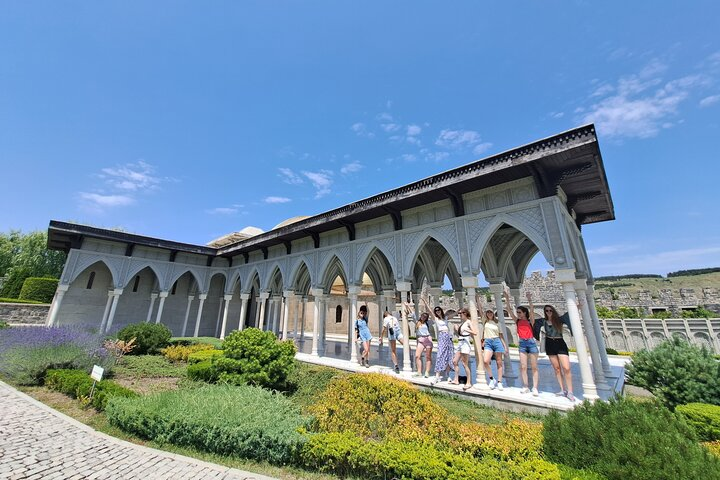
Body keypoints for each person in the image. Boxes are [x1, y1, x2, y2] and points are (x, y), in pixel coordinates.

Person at [537, 296, 576, 401]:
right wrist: (530, 301)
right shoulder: (543, 321)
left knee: (566, 368)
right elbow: (531, 317)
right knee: (557, 369)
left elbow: (570, 313)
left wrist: (578, 306)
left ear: (553, 311)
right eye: (546, 310)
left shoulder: (559, 320)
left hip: (560, 343)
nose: (549, 312)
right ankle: (563, 389)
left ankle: (570, 391)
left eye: (550, 310)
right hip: (550, 343)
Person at [504, 289, 540, 396]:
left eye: (519, 312)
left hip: (531, 343)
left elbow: (532, 311)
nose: (518, 314)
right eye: (517, 312)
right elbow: (509, 310)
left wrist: (530, 300)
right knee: (523, 366)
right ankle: (525, 386)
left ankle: (535, 387)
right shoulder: (517, 321)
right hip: (522, 344)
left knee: (534, 367)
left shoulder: (530, 321)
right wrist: (506, 298)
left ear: (524, 313)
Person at [423, 300, 454, 385]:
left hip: (448, 336)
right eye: (436, 311)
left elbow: (453, 314)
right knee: (440, 355)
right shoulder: (436, 319)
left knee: (449, 355)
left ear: (441, 311)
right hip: (442, 336)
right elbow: (429, 311)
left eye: (439, 310)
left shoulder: (445, 318)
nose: (438, 311)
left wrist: (460, 311)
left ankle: (448, 374)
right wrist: (425, 302)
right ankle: (437, 375)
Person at [479, 298, 507, 391]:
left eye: (491, 312)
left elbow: (501, 336)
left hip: (497, 341)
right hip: (488, 342)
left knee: (499, 363)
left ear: (493, 313)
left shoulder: (497, 323)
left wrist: (505, 346)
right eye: (488, 312)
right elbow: (480, 309)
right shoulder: (485, 321)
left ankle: (499, 382)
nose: (489, 314)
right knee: (486, 361)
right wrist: (477, 299)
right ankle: (492, 379)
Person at [450, 307, 478, 391]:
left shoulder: (468, 322)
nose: (460, 315)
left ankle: (468, 382)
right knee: (454, 361)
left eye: (461, 313)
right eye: (459, 313)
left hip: (465, 343)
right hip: (460, 342)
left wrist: (467, 330)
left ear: (465, 314)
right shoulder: (462, 322)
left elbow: (475, 332)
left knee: (464, 364)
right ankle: (456, 379)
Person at [413, 311, 433, 377]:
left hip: (427, 339)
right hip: (421, 339)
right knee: (417, 356)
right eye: (422, 316)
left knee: (428, 357)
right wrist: (408, 306)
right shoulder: (417, 322)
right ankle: (419, 372)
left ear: (427, 318)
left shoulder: (428, 323)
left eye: (425, 316)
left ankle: (427, 372)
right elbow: (413, 314)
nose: (423, 317)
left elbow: (432, 316)